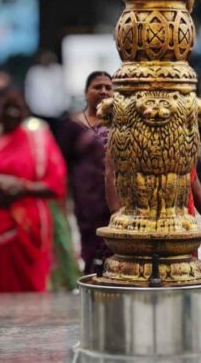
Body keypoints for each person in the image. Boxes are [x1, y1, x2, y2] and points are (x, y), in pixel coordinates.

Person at [0, 86, 66, 293]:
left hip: (31, 231)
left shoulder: (39, 140)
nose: (12, 113)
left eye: (17, 107)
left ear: (25, 110)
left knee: (32, 296)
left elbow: (56, 185)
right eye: (6, 107)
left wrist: (21, 188)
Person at [63, 71, 114, 274]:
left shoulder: (121, 124)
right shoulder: (73, 125)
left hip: (116, 195)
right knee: (91, 242)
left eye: (108, 87)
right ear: (85, 93)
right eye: (97, 87)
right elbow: (63, 164)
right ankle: (92, 279)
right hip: (86, 197)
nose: (103, 91)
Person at [25, 50, 69, 131]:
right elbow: (29, 91)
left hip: (57, 113)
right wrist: (31, 107)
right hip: (38, 112)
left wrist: (63, 106)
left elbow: (65, 90)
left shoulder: (59, 71)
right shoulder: (34, 72)